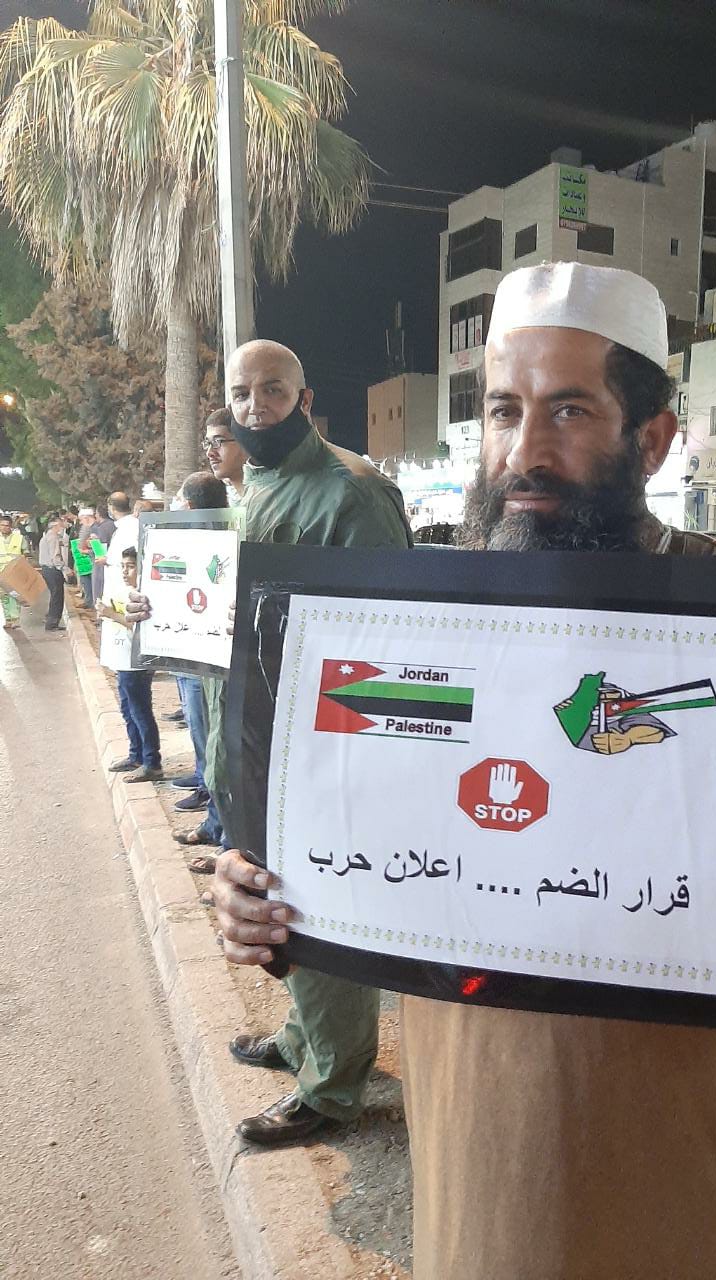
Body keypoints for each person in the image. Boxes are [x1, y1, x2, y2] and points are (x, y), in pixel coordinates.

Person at [215, 264, 716, 1280]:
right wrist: (262, 892)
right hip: (476, 1191)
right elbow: (341, 830)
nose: (526, 451)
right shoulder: (415, 623)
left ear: (652, 438)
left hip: (700, 1200)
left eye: (569, 410)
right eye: (504, 411)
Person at [130, 339, 413, 1147]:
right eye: (242, 393)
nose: (256, 407)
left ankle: (333, 1086)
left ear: (305, 398)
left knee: (314, 904)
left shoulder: (354, 493)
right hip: (245, 732)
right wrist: (167, 615)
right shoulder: (252, 484)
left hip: (314, 747)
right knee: (271, 896)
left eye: (274, 390)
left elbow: (390, 639)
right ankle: (301, 1037)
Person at [169, 470, 231, 862]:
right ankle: (214, 823)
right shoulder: (190, 540)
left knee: (214, 746)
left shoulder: (216, 540)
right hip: (196, 653)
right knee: (208, 743)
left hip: (209, 662)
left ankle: (226, 837)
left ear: (189, 505)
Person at [98, 547, 163, 783]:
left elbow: (140, 628)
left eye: (131, 566)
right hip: (122, 660)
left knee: (140, 711)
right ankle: (136, 755)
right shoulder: (125, 590)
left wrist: (110, 613)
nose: (125, 572)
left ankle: (151, 762)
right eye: (123, 566)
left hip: (136, 664)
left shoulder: (145, 595)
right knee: (128, 710)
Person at [203, 407, 248, 504]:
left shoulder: (271, 498)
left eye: (218, 441)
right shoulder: (225, 503)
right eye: (208, 443)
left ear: (244, 443)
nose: (209, 453)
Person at [38, 513, 69, 631]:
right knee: (57, 597)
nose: (62, 527)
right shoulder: (53, 537)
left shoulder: (47, 535)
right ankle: (52, 623)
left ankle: (51, 620)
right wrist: (65, 569)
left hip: (47, 570)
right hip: (52, 570)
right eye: (61, 525)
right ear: (56, 526)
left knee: (55, 595)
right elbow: (55, 556)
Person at [0, 513, 26, 630]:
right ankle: (8, 619)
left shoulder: (19, 538)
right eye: (2, 525)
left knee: (14, 595)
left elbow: (26, 553)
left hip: (15, 572)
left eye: (7, 525)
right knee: (4, 597)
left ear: (11, 526)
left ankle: (15, 619)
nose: (4, 527)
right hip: (1, 573)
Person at [89, 502, 116, 611]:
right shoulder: (114, 525)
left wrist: (94, 542)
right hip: (113, 563)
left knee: (99, 590)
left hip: (102, 564)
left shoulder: (102, 527)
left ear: (99, 514)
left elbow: (100, 551)